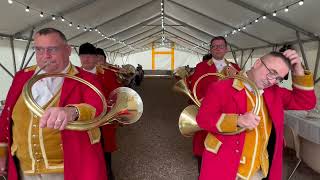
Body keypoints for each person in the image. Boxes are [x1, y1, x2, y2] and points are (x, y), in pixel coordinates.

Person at [0, 28, 107, 180]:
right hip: (23, 170)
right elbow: (6, 118)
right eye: (39, 50)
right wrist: (2, 153)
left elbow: (97, 107)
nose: (45, 56)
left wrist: (72, 112)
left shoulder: (87, 79)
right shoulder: (21, 77)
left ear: (68, 50)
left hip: (68, 170)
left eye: (52, 49)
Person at [196, 50, 316, 180]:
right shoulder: (221, 87)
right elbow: (203, 119)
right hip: (226, 167)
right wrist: (237, 120)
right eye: (272, 72)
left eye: (278, 78)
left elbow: (306, 102)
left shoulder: (275, 92)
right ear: (257, 63)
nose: (271, 80)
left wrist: (298, 70)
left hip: (259, 170)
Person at [186, 36, 241, 172]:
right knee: (205, 152)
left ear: (226, 49)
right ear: (210, 49)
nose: (217, 49)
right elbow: (195, 89)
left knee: (227, 151)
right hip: (208, 113)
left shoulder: (234, 67)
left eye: (220, 46)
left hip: (230, 115)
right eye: (214, 46)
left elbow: (242, 91)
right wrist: (204, 101)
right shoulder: (201, 66)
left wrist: (238, 76)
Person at [79, 45, 118, 180]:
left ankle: (107, 174)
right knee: (84, 151)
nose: (86, 59)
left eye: (90, 56)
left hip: (103, 120)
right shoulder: (74, 75)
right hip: (82, 121)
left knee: (104, 152)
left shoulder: (107, 74)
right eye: (83, 56)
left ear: (96, 58)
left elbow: (115, 95)